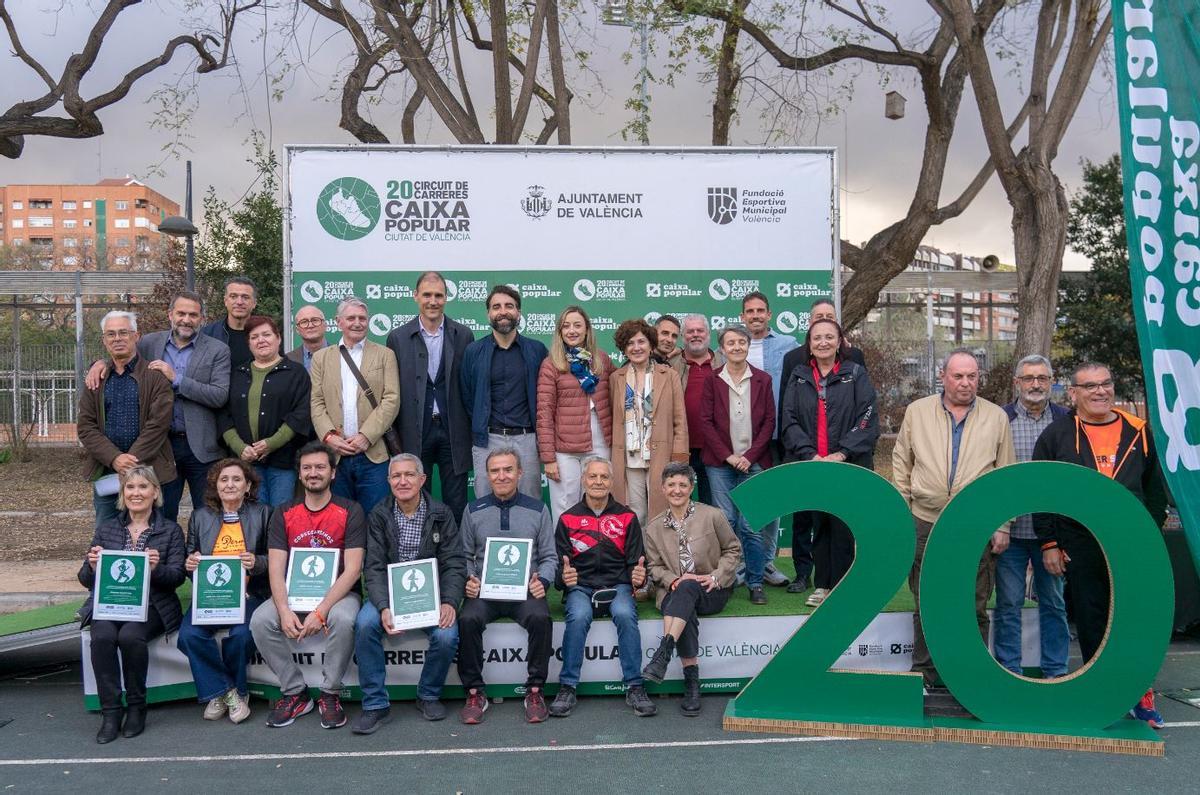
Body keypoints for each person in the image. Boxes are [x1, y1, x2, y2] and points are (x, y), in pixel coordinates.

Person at [1033, 362, 1169, 728]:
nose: (1100, 391)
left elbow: (1156, 490)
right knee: (1092, 618)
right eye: (1090, 386)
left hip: (1130, 542)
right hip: (1081, 542)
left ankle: (1140, 696)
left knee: (1134, 618)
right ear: (1073, 393)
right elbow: (1040, 494)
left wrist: (1146, 533)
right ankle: (1101, 694)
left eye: (1105, 383)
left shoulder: (1138, 430)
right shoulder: (1056, 435)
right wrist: (1049, 543)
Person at [893, 349, 1015, 688]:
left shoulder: (996, 417)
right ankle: (925, 675)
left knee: (974, 603)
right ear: (943, 377)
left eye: (972, 376)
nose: (966, 383)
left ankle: (971, 676)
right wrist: (903, 512)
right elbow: (902, 463)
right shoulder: (917, 412)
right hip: (925, 520)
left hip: (974, 525)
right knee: (927, 602)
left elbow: (1005, 475)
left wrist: (1002, 525)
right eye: (958, 376)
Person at [250, 441, 366, 729]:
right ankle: (295, 692)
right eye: (307, 468)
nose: (313, 473)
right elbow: (276, 569)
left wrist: (321, 611)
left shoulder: (350, 510)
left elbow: (353, 570)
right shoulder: (284, 512)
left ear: (333, 473)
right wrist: (284, 610)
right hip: (296, 593)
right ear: (299, 474)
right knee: (260, 621)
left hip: (339, 595)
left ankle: (330, 693)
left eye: (320, 467)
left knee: (343, 619)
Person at [352, 453, 466, 732]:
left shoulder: (441, 514)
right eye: (396, 476)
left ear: (422, 479)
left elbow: (454, 563)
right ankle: (375, 704)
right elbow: (373, 567)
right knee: (365, 624)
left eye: (409, 475)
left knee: (447, 635)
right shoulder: (378, 515)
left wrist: (449, 602)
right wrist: (383, 606)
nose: (402, 481)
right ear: (389, 480)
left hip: (431, 596)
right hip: (390, 595)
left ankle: (428, 694)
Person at [78, 465, 186, 743]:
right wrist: (92, 566)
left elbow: (177, 578)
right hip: (111, 604)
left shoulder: (170, 530)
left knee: (130, 636)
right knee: (102, 637)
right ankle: (111, 712)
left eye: (143, 487)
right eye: (130, 487)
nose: (136, 493)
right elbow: (85, 579)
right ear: (122, 494)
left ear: (155, 493)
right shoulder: (107, 529)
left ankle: (137, 706)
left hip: (153, 605)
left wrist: (157, 569)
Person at [779, 318, 879, 606]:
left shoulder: (855, 373)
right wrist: (810, 454)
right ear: (809, 345)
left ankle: (843, 587)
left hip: (847, 465)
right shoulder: (799, 375)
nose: (823, 342)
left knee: (844, 527)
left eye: (829, 337)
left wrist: (843, 452)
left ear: (839, 342)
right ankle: (822, 585)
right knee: (819, 524)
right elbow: (789, 419)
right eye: (817, 338)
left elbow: (867, 417)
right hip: (814, 465)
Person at [457, 448, 557, 724]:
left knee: (540, 617)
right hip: (485, 592)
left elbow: (549, 556)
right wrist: (469, 579)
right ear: (487, 476)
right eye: (495, 471)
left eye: (508, 470)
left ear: (520, 473)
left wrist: (543, 581)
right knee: (467, 619)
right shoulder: (473, 510)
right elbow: (464, 555)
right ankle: (475, 692)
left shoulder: (538, 509)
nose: (502, 476)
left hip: (525, 591)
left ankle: (535, 691)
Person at [549, 457, 655, 718]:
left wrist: (638, 578)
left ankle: (635, 686)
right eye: (593, 476)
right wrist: (564, 578)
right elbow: (559, 569)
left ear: (611, 481)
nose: (598, 482)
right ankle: (567, 687)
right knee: (578, 616)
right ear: (583, 480)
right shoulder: (567, 518)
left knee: (625, 614)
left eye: (604, 477)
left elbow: (636, 563)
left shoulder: (627, 517)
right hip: (581, 587)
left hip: (618, 585)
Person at [641, 463, 741, 716]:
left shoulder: (712, 515)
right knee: (685, 595)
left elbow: (733, 549)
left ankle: (664, 654)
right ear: (663, 488)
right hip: (673, 590)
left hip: (711, 590)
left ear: (691, 488)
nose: (677, 490)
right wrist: (672, 580)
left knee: (687, 590)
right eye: (671, 485)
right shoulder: (653, 527)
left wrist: (717, 576)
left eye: (682, 485)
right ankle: (692, 684)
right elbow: (654, 567)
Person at [176, 458, 271, 724]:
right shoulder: (200, 516)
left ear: (248, 485)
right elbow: (190, 558)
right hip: (212, 595)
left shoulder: (264, 513)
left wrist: (257, 562)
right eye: (224, 479)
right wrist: (190, 564)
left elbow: (275, 558)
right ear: (215, 486)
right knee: (188, 635)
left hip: (250, 594)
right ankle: (229, 692)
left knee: (241, 635)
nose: (230, 485)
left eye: (236, 479)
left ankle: (226, 691)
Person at [993, 355, 1070, 679]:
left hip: (1051, 535)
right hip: (1010, 534)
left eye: (1042, 378)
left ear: (1051, 381)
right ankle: (1009, 670)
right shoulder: (1000, 420)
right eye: (1028, 378)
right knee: (1008, 604)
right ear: (1017, 383)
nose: (1035, 384)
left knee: (1053, 602)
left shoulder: (1066, 420)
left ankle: (1056, 670)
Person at [386, 271, 475, 523]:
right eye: (427, 295)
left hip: (453, 431)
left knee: (456, 501)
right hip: (414, 430)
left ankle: (454, 548)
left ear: (446, 298)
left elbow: (468, 385)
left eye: (438, 295)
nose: (432, 301)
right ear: (416, 296)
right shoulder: (398, 337)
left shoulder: (463, 335)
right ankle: (420, 547)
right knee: (415, 499)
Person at [136, 291, 231, 522]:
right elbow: (122, 359)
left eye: (193, 315)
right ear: (170, 314)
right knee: (161, 515)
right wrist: (99, 364)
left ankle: (202, 548)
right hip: (162, 446)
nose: (186, 320)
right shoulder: (148, 343)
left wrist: (176, 379)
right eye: (181, 313)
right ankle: (167, 547)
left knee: (208, 516)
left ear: (202, 319)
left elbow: (219, 395)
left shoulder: (217, 350)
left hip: (202, 447)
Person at [700, 324, 775, 606]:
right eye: (730, 343)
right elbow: (705, 422)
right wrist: (728, 456)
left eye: (741, 342)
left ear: (748, 345)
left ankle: (755, 582)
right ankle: (726, 579)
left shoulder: (763, 380)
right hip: (720, 464)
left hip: (754, 462)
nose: (736, 347)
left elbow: (769, 422)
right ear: (722, 348)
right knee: (726, 523)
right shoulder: (712, 380)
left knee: (751, 525)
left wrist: (750, 456)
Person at [77, 311, 175, 526]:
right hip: (108, 472)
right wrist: (115, 458)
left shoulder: (156, 377)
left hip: (151, 471)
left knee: (155, 535)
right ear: (104, 340)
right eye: (111, 334)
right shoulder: (96, 380)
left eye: (123, 332)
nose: (117, 338)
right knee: (107, 535)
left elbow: (158, 425)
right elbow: (86, 427)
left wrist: (130, 461)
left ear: (136, 336)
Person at [310, 296, 400, 512]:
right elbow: (317, 401)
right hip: (336, 456)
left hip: (373, 455)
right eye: (351, 318)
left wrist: (366, 436)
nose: (357, 323)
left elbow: (391, 399)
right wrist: (329, 437)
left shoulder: (385, 355)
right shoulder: (321, 358)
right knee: (339, 520)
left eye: (362, 318)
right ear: (339, 322)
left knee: (376, 519)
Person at [461, 285, 549, 499]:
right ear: (488, 314)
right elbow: (467, 396)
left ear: (518, 312)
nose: (503, 311)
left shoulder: (537, 350)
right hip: (487, 439)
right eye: (496, 307)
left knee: (530, 503)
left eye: (509, 306)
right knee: (484, 502)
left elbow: (545, 396)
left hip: (527, 438)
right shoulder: (473, 351)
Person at [219, 316, 312, 507]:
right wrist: (239, 447)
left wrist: (272, 443)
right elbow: (224, 414)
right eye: (254, 337)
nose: (261, 340)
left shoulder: (296, 372)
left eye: (266, 335)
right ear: (249, 343)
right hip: (246, 461)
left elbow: (301, 413)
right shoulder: (237, 373)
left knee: (280, 513)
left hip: (282, 461)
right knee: (254, 515)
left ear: (278, 338)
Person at [739, 291, 797, 588]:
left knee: (770, 502)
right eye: (750, 311)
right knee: (738, 504)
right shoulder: (731, 345)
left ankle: (766, 562)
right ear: (742, 316)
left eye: (760, 310)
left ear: (769, 314)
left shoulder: (789, 344)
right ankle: (740, 563)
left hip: (775, 437)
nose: (755, 316)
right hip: (738, 439)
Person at [537, 306, 614, 522]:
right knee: (566, 506)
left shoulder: (601, 360)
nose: (572, 330)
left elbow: (622, 385)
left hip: (599, 443)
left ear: (587, 329)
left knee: (598, 503)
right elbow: (544, 413)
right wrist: (548, 458)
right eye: (566, 326)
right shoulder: (551, 364)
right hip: (565, 449)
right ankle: (564, 545)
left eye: (577, 325)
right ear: (560, 332)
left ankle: (595, 545)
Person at [609, 318, 689, 525]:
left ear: (651, 344)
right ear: (624, 349)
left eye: (641, 342)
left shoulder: (669, 375)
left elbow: (680, 420)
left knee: (661, 512)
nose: (636, 348)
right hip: (630, 457)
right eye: (630, 343)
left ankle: (660, 548)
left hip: (661, 455)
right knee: (636, 513)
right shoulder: (616, 378)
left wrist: (679, 458)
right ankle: (640, 548)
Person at [670, 314, 724, 506]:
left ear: (708, 334)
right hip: (681, 447)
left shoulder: (724, 362)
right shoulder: (671, 365)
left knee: (713, 505)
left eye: (700, 330)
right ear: (683, 336)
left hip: (716, 448)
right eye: (690, 331)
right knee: (679, 502)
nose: (695, 335)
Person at [201, 276, 258, 369]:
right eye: (233, 296)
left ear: (254, 303)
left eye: (245, 297)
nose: (239, 302)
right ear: (225, 301)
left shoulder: (265, 336)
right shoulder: (207, 334)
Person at [288, 305, 328, 372]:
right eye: (304, 322)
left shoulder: (340, 355)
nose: (310, 325)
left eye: (315, 320)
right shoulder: (288, 360)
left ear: (325, 325)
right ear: (297, 330)